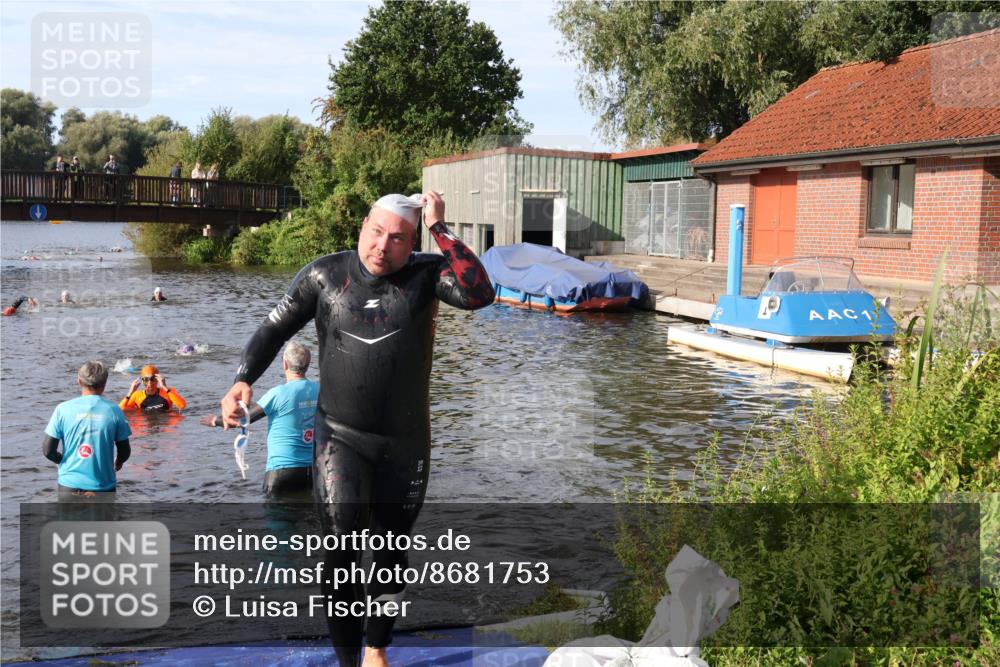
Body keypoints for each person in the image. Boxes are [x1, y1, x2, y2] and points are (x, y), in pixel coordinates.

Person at [218, 191, 494, 667]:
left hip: (405, 442)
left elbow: (479, 293)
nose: (382, 246)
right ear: (364, 224)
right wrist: (242, 379)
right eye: (376, 231)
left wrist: (440, 228)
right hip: (340, 437)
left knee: (389, 554)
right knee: (340, 549)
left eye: (398, 239)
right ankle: (348, 662)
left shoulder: (427, 276)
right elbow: (271, 331)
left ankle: (376, 650)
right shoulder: (326, 275)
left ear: (413, 244)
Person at [202, 342, 318, 497]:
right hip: (313, 473)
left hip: (281, 471)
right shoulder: (320, 390)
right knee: (308, 518)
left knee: (277, 518)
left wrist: (214, 421)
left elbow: (244, 419)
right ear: (307, 365)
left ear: (284, 364)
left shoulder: (278, 394)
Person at [42, 361, 131, 498]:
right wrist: (118, 462)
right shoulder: (114, 411)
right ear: (105, 384)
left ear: (79, 381)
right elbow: (125, 451)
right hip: (103, 487)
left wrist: (61, 460)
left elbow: (48, 451)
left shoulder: (63, 409)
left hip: (69, 486)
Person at [120, 364, 186, 412]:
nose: (149, 382)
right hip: (146, 427)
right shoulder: (137, 396)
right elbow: (119, 411)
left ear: (158, 379)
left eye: (152, 379)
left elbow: (182, 405)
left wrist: (164, 387)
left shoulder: (168, 391)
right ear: (142, 381)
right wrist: (130, 392)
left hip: (164, 427)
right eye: (146, 379)